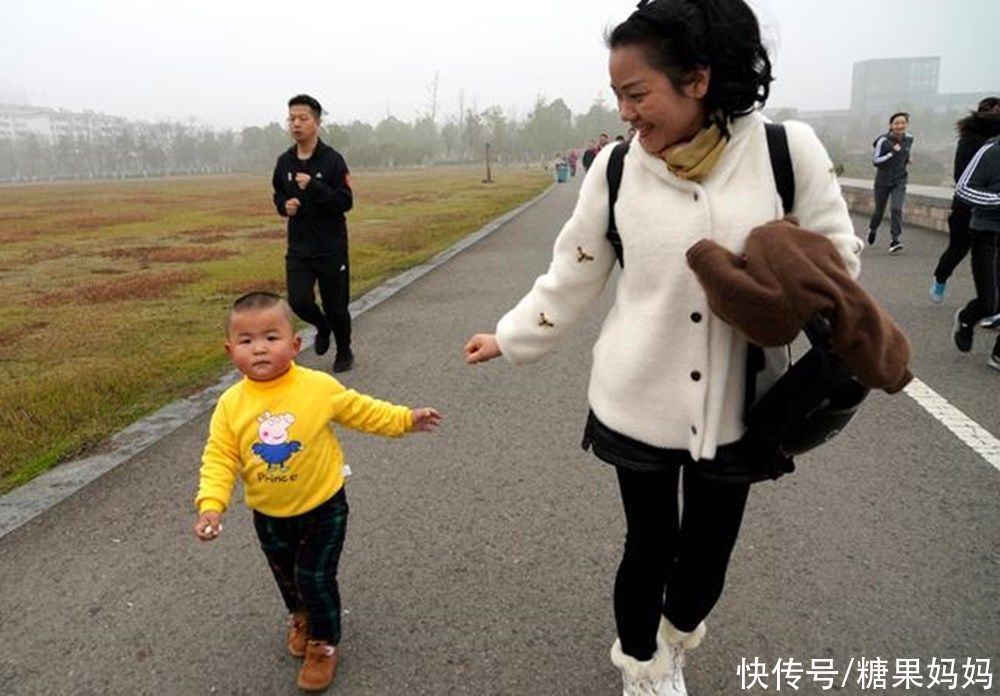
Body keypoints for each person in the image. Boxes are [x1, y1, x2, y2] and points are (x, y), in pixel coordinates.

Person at [463, 1, 861, 694]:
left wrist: (774, 274)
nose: (625, 113)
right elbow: (574, 273)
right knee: (648, 547)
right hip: (635, 397)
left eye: (637, 93)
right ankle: (644, 666)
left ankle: (678, 634)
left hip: (743, 408)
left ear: (698, 79)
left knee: (708, 558)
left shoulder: (784, 152)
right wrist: (511, 336)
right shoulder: (616, 169)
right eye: (617, 96)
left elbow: (839, 261)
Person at [193, 291, 442, 692]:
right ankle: (301, 616)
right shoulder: (230, 405)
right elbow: (220, 457)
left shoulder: (317, 388)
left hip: (324, 507)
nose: (259, 348)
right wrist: (211, 505)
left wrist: (404, 419)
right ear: (229, 350)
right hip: (269, 516)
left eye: (271, 338)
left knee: (315, 576)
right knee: (287, 577)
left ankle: (323, 644)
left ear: (294, 345)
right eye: (246, 340)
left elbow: (362, 410)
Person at [272, 94, 356, 373]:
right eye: (291, 118)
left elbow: (345, 202)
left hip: (331, 247)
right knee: (299, 300)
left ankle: (344, 351)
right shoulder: (284, 162)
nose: (296, 124)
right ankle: (322, 327)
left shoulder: (333, 161)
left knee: (337, 307)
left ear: (317, 122)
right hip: (299, 248)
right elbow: (278, 195)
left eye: (303, 118)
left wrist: (314, 188)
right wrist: (285, 206)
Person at [930, 97, 1000, 303]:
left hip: (992, 213)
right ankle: (940, 277)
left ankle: (991, 304)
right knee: (958, 248)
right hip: (966, 207)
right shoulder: (969, 140)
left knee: (992, 259)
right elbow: (960, 177)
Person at [952, 136, 1000, 370]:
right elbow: (963, 188)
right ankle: (967, 318)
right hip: (987, 234)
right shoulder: (991, 151)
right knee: (990, 303)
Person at [867, 112, 914, 253]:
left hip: (900, 179)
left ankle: (895, 240)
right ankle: (873, 228)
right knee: (879, 211)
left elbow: (906, 152)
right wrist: (892, 153)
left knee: (896, 208)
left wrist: (908, 158)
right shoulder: (883, 140)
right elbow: (876, 161)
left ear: (906, 124)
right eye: (897, 123)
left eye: (903, 123)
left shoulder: (910, 139)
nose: (900, 126)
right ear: (891, 125)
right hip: (883, 181)